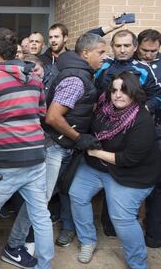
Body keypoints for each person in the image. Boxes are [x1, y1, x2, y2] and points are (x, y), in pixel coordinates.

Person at [0, 27, 54, 269]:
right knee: (41, 215)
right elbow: (41, 113)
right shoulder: (34, 78)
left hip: (4, 161)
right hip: (35, 156)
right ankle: (45, 266)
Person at [69, 72, 161, 267]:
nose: (118, 95)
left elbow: (127, 159)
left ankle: (138, 263)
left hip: (131, 174)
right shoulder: (105, 109)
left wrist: (95, 152)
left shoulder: (142, 121)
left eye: (124, 91)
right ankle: (87, 241)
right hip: (99, 167)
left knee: (122, 218)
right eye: (114, 90)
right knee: (77, 194)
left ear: (134, 93)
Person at [94, 29, 161, 238]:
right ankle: (109, 225)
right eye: (118, 45)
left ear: (134, 47)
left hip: (133, 132)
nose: (122, 50)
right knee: (108, 174)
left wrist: (144, 110)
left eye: (126, 46)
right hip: (106, 131)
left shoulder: (144, 68)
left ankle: (128, 224)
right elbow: (95, 93)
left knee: (125, 173)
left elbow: (158, 96)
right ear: (112, 47)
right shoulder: (104, 66)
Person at [42, 33, 107, 247]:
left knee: (67, 188)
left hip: (67, 145)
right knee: (43, 197)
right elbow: (53, 117)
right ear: (86, 53)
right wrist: (79, 138)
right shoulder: (76, 79)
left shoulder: (85, 74)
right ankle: (26, 240)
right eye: (101, 52)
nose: (104, 57)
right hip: (57, 147)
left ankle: (67, 228)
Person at [135, 29, 161, 248]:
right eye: (145, 50)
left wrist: (149, 106)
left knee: (157, 186)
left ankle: (153, 234)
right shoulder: (130, 64)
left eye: (154, 51)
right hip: (134, 132)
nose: (149, 54)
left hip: (157, 132)